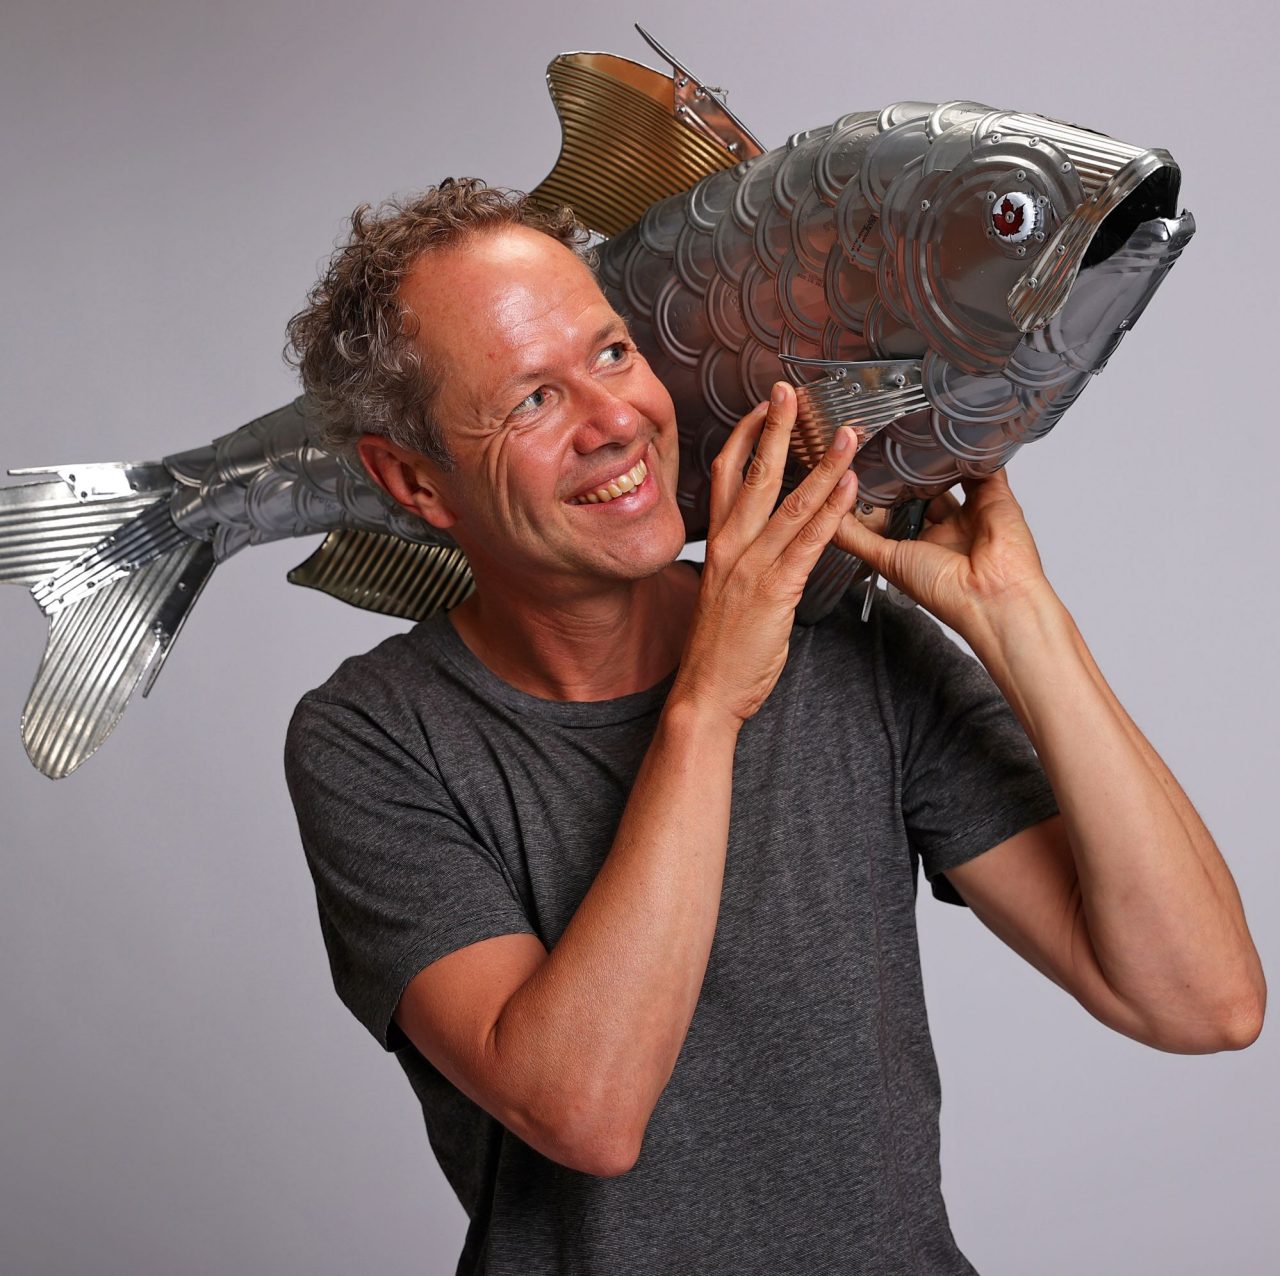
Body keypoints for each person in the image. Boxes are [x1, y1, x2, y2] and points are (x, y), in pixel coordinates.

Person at [282, 179, 1264, 1274]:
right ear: (414, 479)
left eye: (611, 353)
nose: (615, 423)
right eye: (530, 401)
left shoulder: (844, 641)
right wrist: (708, 702)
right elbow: (587, 1110)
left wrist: (1019, 622)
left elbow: (1202, 1001)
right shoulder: (374, 738)